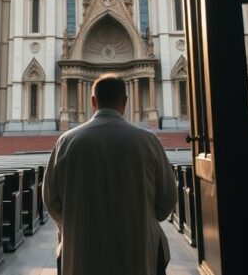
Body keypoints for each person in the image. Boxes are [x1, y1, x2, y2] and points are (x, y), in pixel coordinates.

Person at [43, 73, 177, 275]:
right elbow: (168, 198)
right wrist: (145, 217)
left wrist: (76, 221)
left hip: (83, 250)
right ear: (124, 102)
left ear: (93, 101)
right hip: (137, 249)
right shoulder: (148, 141)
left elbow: (50, 198)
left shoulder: (67, 141)